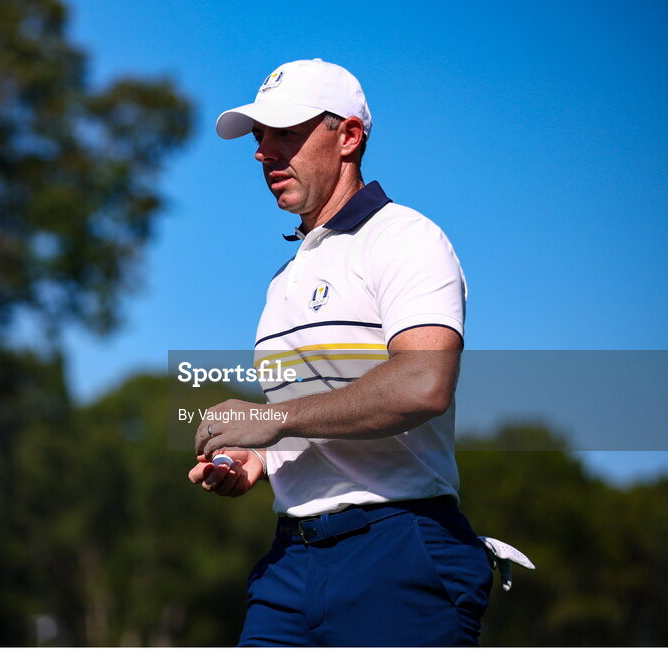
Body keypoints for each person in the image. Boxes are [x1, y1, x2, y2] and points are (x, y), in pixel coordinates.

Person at [187, 59, 494, 646]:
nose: (264, 152)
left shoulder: (406, 238)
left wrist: (271, 421)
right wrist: (257, 461)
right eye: (259, 137)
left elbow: (423, 383)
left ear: (349, 136)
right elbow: (315, 417)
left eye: (287, 133)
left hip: (399, 546)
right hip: (290, 562)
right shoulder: (283, 279)